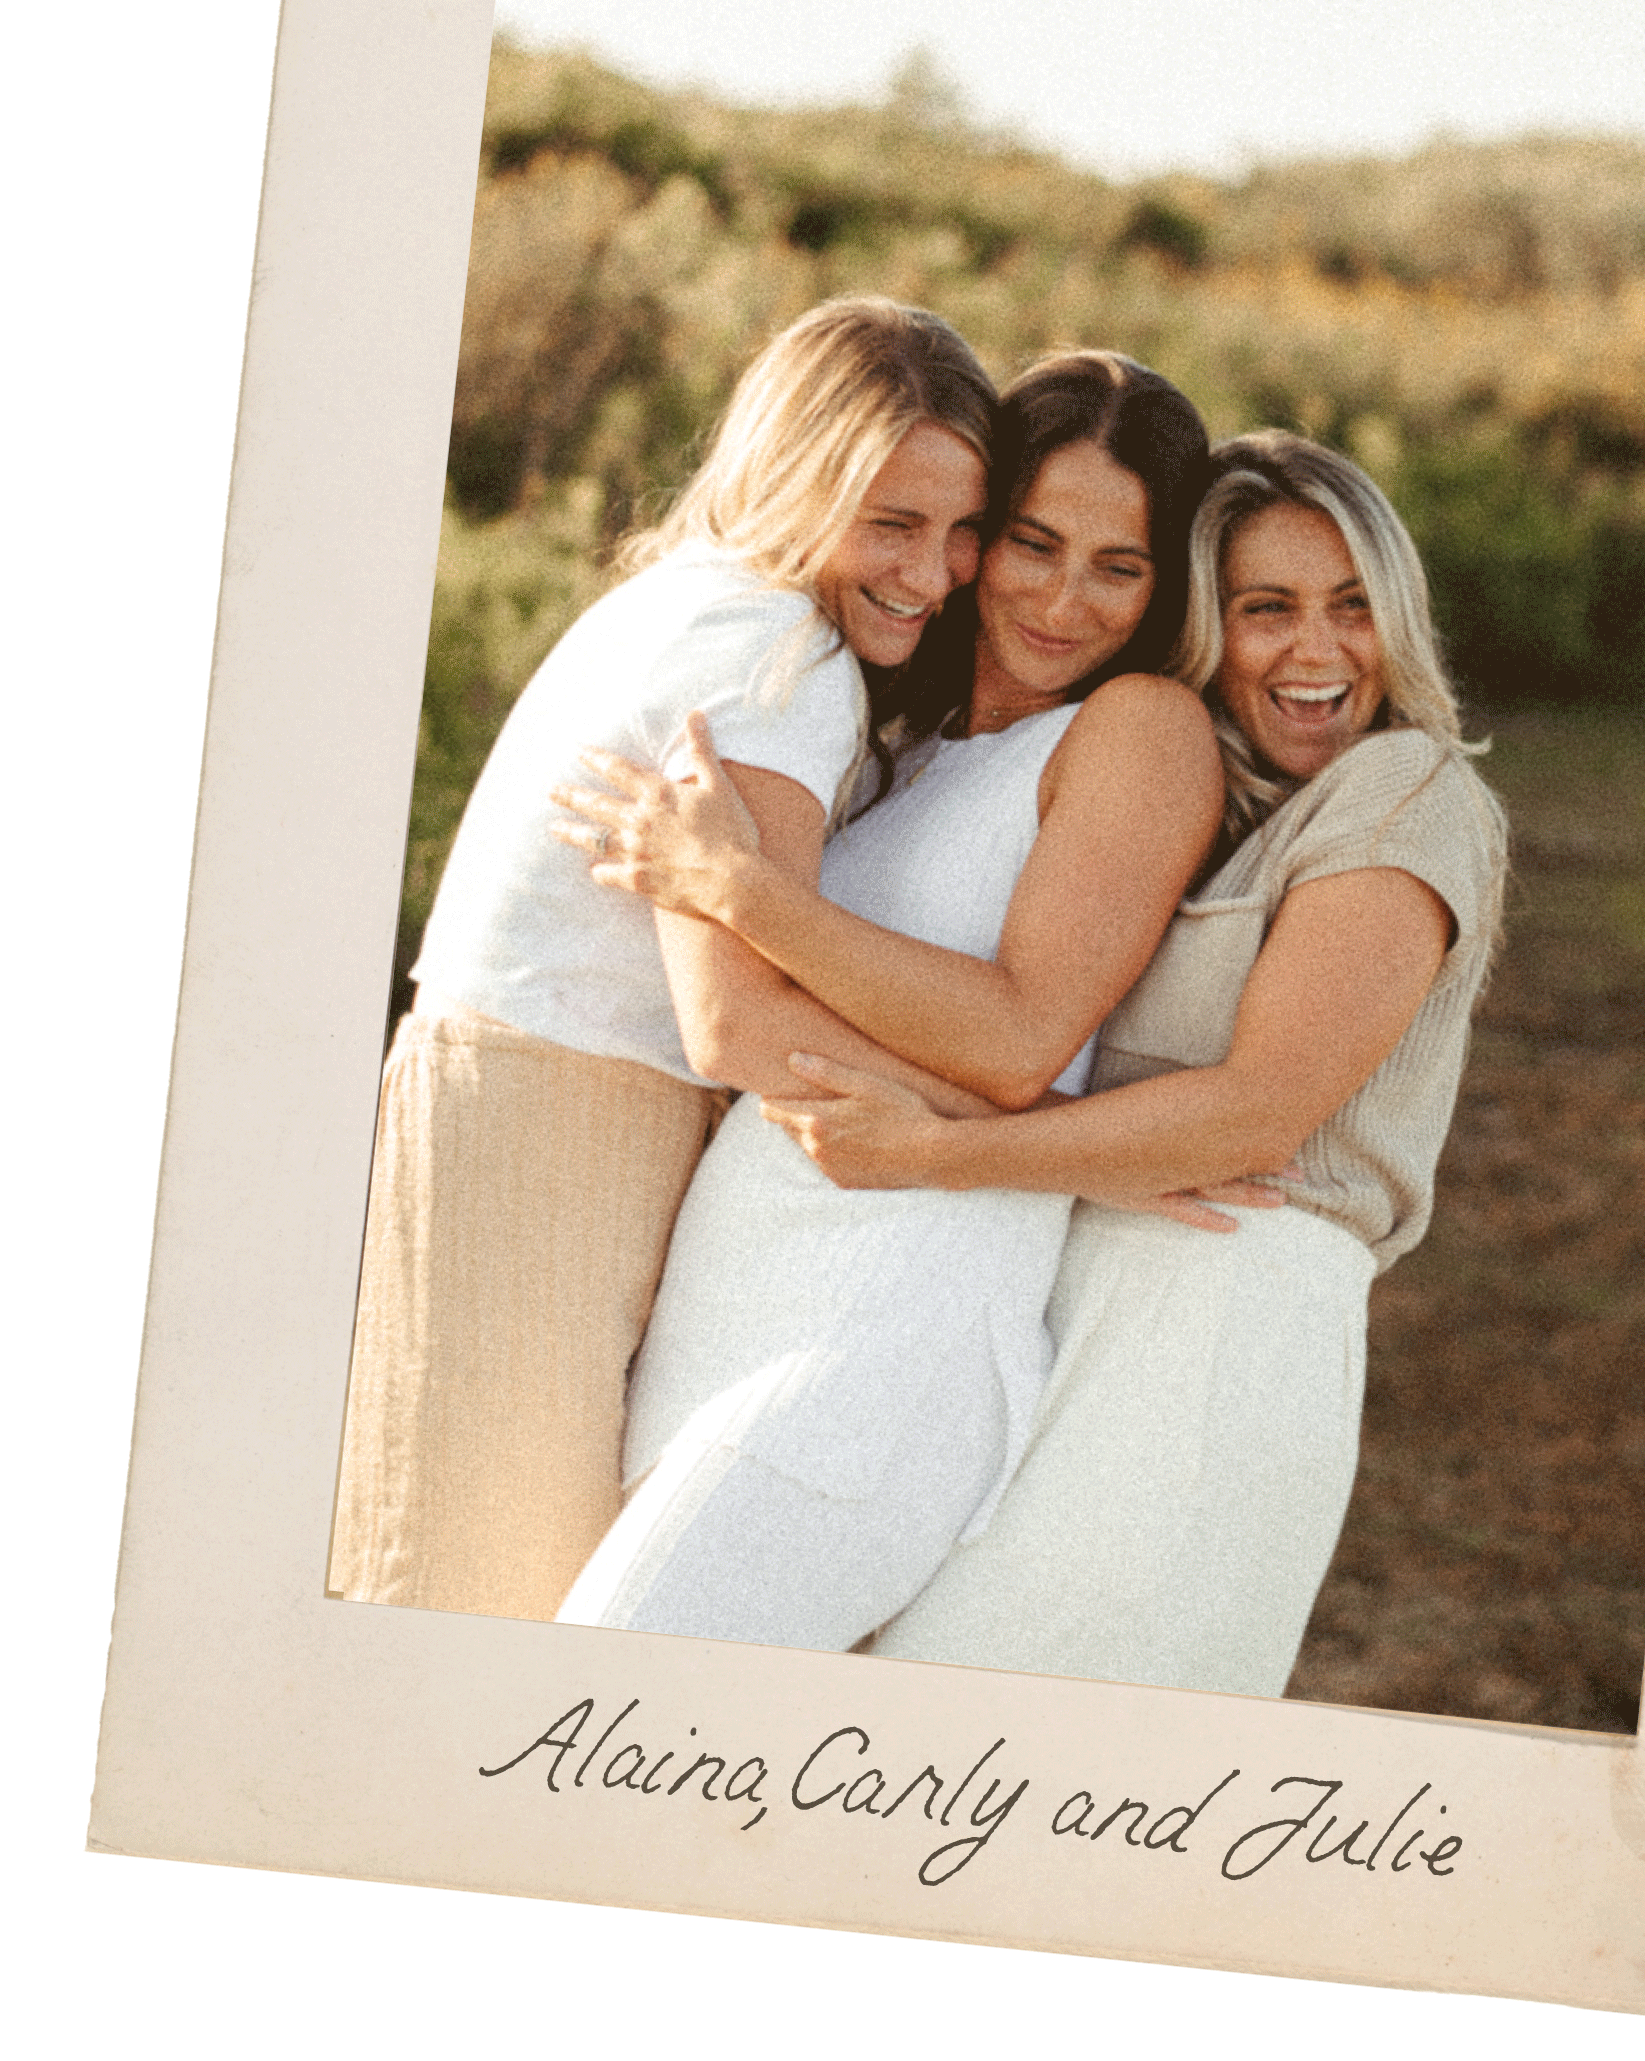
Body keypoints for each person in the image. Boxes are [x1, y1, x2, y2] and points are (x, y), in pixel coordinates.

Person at [755, 430, 1509, 1698]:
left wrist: (941, 1155)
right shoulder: (1217, 808)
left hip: (1227, 1317)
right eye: (1265, 610)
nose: (1313, 652)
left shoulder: (1405, 789)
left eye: (1351, 609)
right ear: (1207, 629)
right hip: (1088, 1308)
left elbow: (1256, 1108)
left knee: (1004, 1733)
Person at [328, 296, 998, 1623]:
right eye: (890, 523)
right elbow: (740, 1027)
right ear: (792, 481)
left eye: (963, 528)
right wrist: (1030, 1126)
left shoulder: (697, 602)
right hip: (551, 1120)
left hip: (522, 1097)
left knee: (446, 1569)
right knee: (473, 1602)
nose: (934, 572)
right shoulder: (775, 654)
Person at [547, 354, 1228, 1653]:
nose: (1060, 600)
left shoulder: (1136, 730)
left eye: (1116, 567)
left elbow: (1026, 1036)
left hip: (888, 1336)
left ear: (1161, 588)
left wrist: (739, 889)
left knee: (598, 1704)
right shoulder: (898, 742)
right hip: (732, 1297)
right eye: (1029, 542)